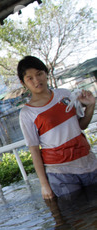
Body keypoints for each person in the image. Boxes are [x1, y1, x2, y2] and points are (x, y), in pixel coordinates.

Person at [18, 56, 97, 199]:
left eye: (39, 74)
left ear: (46, 73)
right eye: (30, 78)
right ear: (23, 82)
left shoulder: (65, 95)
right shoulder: (27, 113)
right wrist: (44, 185)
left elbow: (81, 126)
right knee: (76, 217)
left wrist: (91, 106)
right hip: (61, 173)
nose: (37, 80)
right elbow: (34, 150)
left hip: (88, 163)